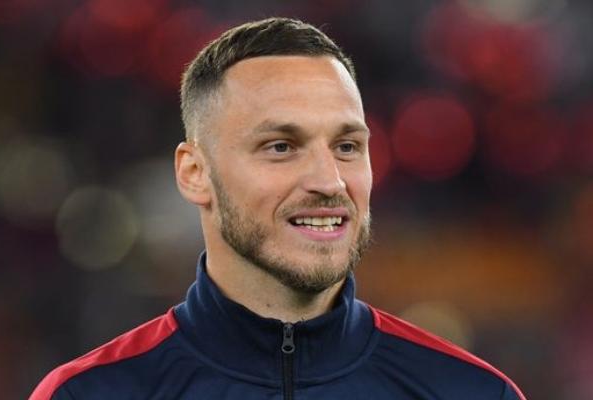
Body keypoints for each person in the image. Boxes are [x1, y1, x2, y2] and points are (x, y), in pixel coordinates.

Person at [30, 17, 526, 400]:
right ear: (194, 173)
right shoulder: (89, 393)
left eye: (347, 146)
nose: (329, 181)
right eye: (281, 147)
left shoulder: (472, 393)